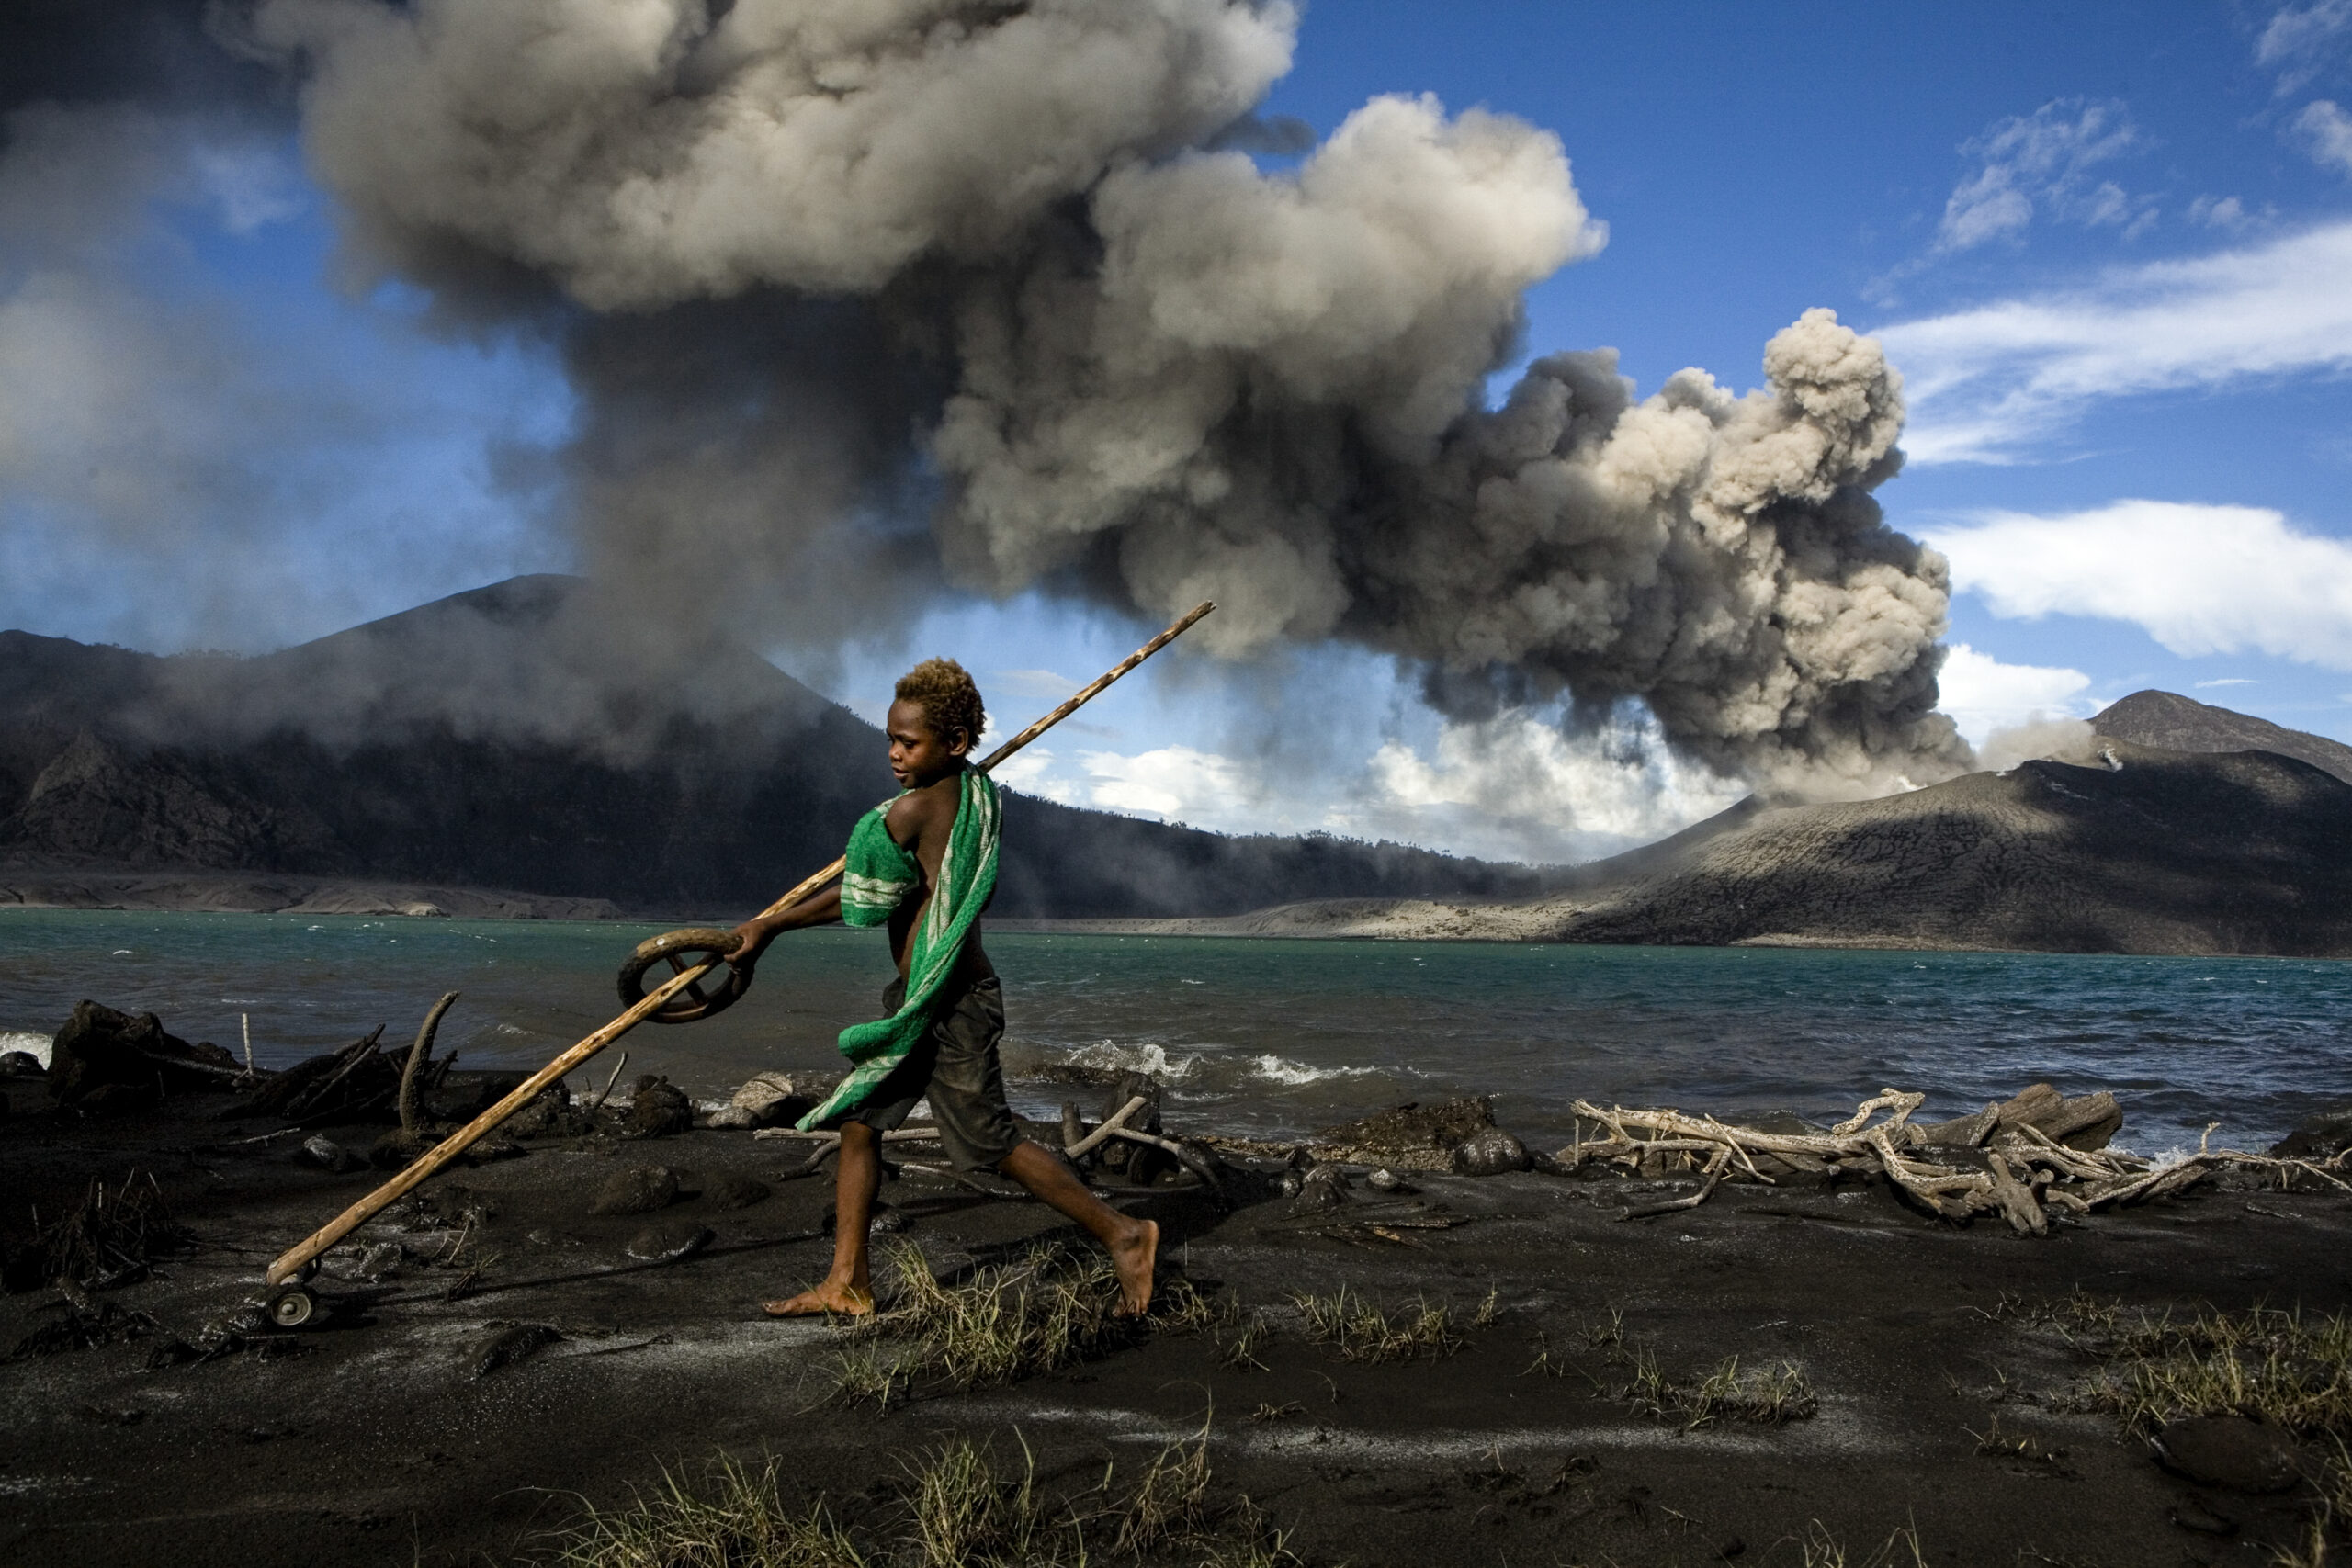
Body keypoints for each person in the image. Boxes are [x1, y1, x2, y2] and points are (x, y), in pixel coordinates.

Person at [729, 657, 1159, 1317]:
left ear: (954, 743)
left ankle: (1123, 1233)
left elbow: (857, 899)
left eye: (909, 742)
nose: (895, 754)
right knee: (860, 1120)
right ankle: (848, 1279)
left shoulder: (914, 810)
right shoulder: (971, 792)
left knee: (988, 1143)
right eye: (891, 740)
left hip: (952, 1003)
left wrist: (771, 924)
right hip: (922, 1002)